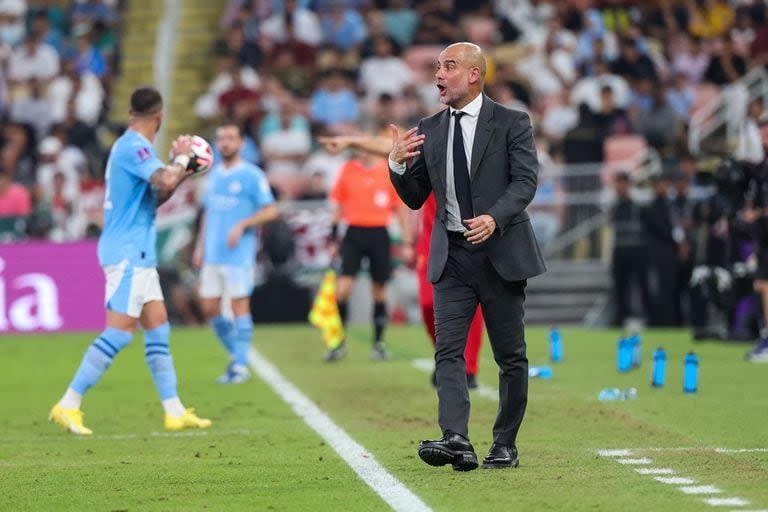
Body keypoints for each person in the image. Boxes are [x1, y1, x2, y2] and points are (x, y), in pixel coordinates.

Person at [389, 42, 545, 471]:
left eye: (449, 66)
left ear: (474, 74)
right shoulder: (430, 127)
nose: (439, 73)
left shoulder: (512, 121)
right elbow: (416, 197)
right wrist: (397, 165)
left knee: (510, 356)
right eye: (437, 66)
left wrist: (494, 218)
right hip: (453, 254)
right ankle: (456, 438)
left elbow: (526, 181)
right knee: (448, 352)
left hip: (500, 252)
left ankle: (505, 444)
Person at [49, 87, 211, 435]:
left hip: (139, 251)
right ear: (160, 116)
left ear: (129, 111)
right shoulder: (135, 147)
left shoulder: (134, 148)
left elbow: (157, 194)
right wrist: (182, 158)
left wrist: (183, 170)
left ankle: (174, 410)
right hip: (127, 253)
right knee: (120, 333)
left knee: (158, 330)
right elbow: (165, 178)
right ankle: (68, 403)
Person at [318, 134, 484, 387]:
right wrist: (350, 141)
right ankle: (446, 356)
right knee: (429, 305)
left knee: (472, 307)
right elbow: (391, 147)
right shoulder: (434, 138)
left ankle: (467, 368)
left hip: (471, 238)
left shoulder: (479, 144)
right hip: (431, 242)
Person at [193, 121, 278, 383]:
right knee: (209, 308)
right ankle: (237, 355)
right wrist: (199, 246)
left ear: (241, 143)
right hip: (212, 253)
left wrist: (242, 225)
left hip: (239, 254)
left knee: (239, 306)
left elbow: (271, 210)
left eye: (230, 137)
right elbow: (208, 212)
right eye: (221, 138)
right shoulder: (214, 174)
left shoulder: (252, 175)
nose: (225, 143)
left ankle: (240, 366)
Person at [324, 147, 413, 363]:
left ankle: (379, 344)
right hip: (354, 233)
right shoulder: (348, 170)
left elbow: (400, 209)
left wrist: (407, 241)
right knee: (343, 289)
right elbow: (338, 204)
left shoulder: (385, 171)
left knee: (379, 291)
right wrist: (333, 237)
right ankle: (338, 343)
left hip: (379, 234)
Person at [610, 172, 650, 326]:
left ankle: (648, 317)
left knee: (642, 285)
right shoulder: (614, 207)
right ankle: (621, 318)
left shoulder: (637, 207)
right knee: (620, 288)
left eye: (623, 183)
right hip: (620, 251)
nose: (620, 187)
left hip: (637, 250)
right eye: (618, 184)